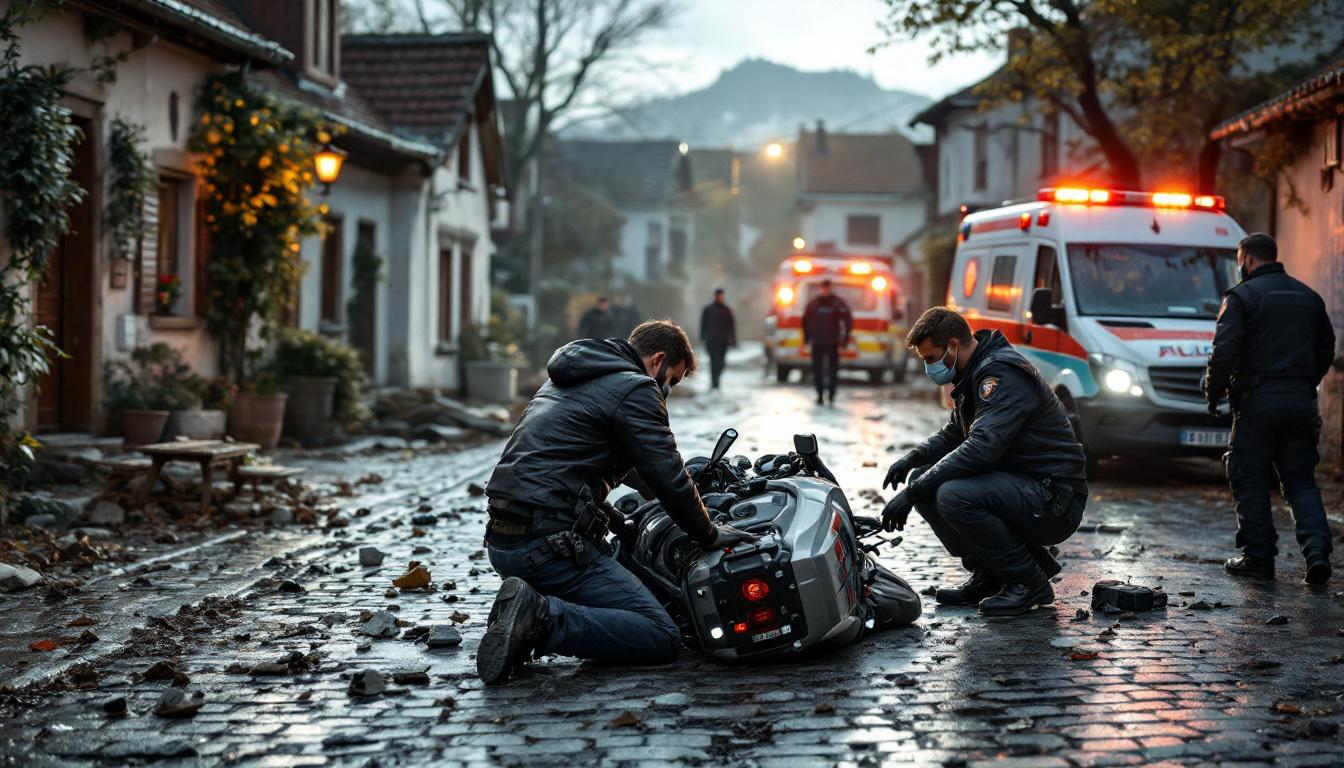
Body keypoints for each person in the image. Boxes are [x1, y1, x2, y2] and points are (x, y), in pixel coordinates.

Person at [476, 320, 757, 684]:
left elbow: (627, 464)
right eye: (672, 379)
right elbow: (667, 477)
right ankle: (541, 618)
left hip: (504, 543)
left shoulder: (570, 376)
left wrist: (678, 484)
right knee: (661, 635)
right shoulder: (638, 388)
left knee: (627, 573)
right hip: (548, 546)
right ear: (657, 361)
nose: (667, 388)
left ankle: (522, 609)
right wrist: (709, 534)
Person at [880, 307, 1089, 616]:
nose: (929, 368)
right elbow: (955, 433)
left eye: (930, 358)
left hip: (1055, 497)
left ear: (953, 345)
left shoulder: (1001, 374)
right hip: (1026, 486)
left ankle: (1028, 581)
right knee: (923, 481)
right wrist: (913, 459)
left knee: (952, 495)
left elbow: (982, 447)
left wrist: (912, 494)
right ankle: (991, 574)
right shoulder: (974, 371)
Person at [1204, 233, 1335, 585]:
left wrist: (1213, 392)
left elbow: (1224, 352)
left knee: (1249, 479)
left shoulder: (1240, 297)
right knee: (1301, 483)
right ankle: (1318, 553)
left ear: (1246, 260)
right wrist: (1303, 383)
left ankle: (1258, 558)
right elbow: (1327, 348)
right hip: (1299, 404)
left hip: (1256, 406)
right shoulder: (1309, 297)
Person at [802, 279, 851, 405]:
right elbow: (805, 322)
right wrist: (807, 339)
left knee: (832, 370)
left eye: (827, 288)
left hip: (832, 342)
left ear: (830, 289)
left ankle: (831, 394)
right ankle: (819, 394)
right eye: (823, 288)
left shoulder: (838, 304)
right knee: (817, 370)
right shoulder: (813, 304)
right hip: (817, 342)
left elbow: (847, 322)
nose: (825, 291)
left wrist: (844, 341)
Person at [700, 288, 737, 390]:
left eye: (721, 295)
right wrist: (702, 337)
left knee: (721, 362)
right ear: (715, 296)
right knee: (713, 361)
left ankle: (717, 377)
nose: (720, 297)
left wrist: (733, 339)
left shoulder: (727, 310)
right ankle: (714, 381)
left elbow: (732, 325)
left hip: (723, 341)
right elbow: (703, 324)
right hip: (711, 340)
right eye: (718, 295)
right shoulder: (708, 309)